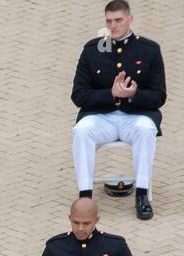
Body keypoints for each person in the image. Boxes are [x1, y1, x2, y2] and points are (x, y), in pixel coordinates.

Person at [70, 0, 166, 219]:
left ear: (130, 20)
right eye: (109, 21)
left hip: (135, 116)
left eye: (118, 20)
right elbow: (78, 95)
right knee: (82, 131)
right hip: (101, 117)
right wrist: (110, 94)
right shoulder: (92, 50)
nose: (113, 26)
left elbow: (159, 96)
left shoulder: (149, 50)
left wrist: (133, 95)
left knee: (145, 129)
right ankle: (85, 195)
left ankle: (142, 193)